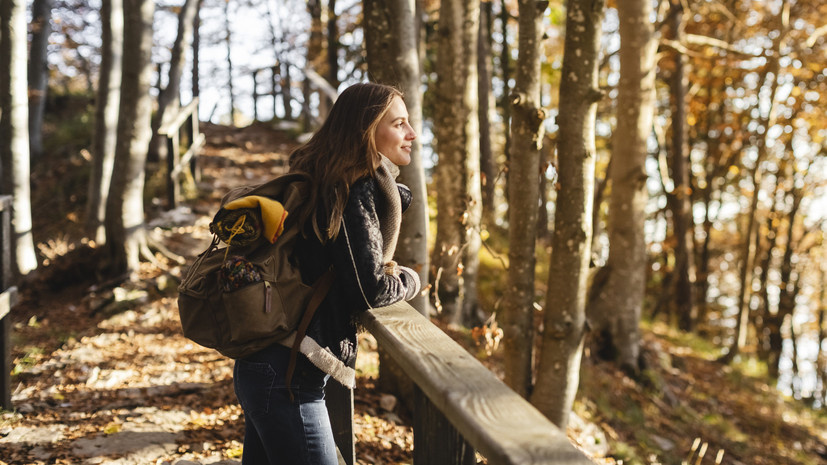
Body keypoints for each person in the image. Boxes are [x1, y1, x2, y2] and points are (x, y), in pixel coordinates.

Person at [232, 82, 422, 465]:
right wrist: (411, 280)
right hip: (287, 376)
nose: (412, 133)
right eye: (399, 123)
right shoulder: (352, 187)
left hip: (269, 366)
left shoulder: (330, 179)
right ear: (368, 129)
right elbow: (370, 290)